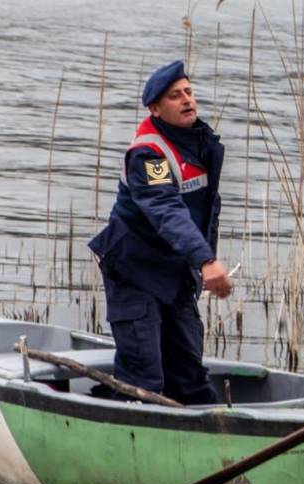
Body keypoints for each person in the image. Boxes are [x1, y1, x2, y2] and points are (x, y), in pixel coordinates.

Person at [87, 60, 231, 405]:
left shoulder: (198, 142)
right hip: (135, 272)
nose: (187, 100)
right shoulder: (148, 155)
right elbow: (167, 211)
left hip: (174, 274)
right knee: (144, 377)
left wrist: (196, 269)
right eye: (174, 96)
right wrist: (207, 261)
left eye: (189, 92)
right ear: (155, 108)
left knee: (190, 376)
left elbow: (206, 211)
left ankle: (213, 436)